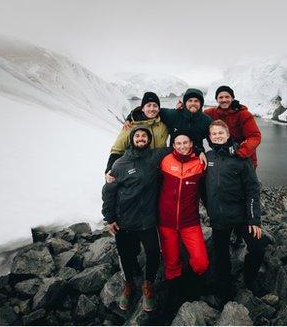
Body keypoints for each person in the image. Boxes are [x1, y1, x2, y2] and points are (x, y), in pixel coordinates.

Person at [101, 126, 171, 312]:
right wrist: (110, 218)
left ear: (149, 139)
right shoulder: (120, 164)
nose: (141, 138)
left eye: (144, 136)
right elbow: (108, 192)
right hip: (124, 220)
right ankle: (129, 284)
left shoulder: (156, 156)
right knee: (126, 255)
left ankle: (148, 285)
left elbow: (179, 147)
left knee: (154, 253)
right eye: (137, 136)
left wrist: (198, 150)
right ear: (132, 140)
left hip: (147, 220)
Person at [203, 120, 266, 301]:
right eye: (214, 134)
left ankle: (249, 278)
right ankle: (224, 286)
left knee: (257, 247)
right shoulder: (208, 157)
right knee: (221, 255)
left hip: (241, 216)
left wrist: (254, 220)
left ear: (228, 134)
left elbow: (252, 189)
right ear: (210, 137)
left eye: (220, 133)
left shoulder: (240, 156)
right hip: (219, 218)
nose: (217, 137)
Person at [158, 134, 209, 303]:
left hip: (190, 222)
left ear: (192, 144)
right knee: (171, 263)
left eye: (185, 142)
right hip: (166, 222)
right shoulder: (164, 160)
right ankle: (174, 294)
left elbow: (209, 189)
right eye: (178, 143)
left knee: (201, 262)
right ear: (173, 145)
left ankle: (192, 287)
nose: (182, 146)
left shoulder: (200, 163)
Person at [105, 92, 168, 173]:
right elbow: (117, 150)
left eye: (155, 106)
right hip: (136, 173)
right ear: (142, 108)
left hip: (158, 172)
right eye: (148, 105)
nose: (152, 109)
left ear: (159, 109)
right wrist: (110, 170)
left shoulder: (163, 125)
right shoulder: (130, 125)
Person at [204, 85, 262, 168]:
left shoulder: (243, 114)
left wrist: (239, 153)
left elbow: (254, 137)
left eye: (227, 97)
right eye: (220, 97)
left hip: (244, 159)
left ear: (232, 98)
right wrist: (182, 110)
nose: (224, 100)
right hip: (222, 158)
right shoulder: (210, 113)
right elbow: (197, 117)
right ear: (216, 100)